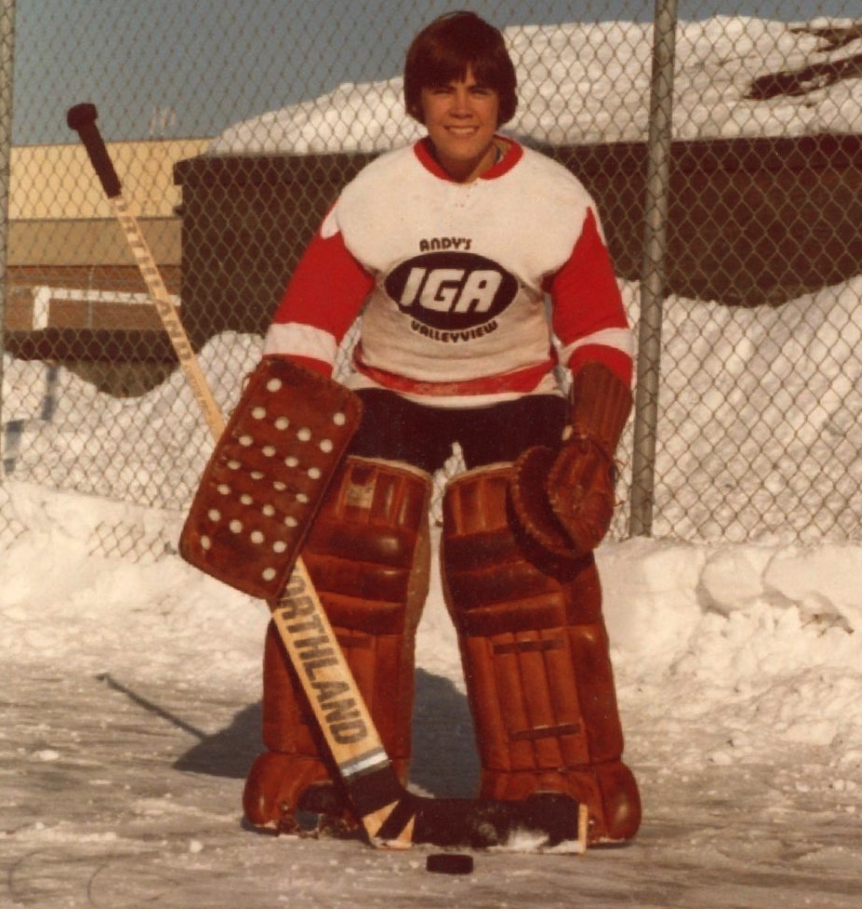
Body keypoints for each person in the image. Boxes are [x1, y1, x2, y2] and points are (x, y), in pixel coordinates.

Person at [242, 10, 641, 845]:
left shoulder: (554, 197)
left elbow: (600, 331)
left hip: (514, 387)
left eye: (480, 89)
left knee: (519, 550)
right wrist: (288, 414)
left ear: (504, 101)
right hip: (392, 385)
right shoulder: (376, 192)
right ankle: (326, 764)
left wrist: (592, 439)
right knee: (359, 544)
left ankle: (555, 774)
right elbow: (309, 320)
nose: (462, 107)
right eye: (444, 88)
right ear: (417, 100)